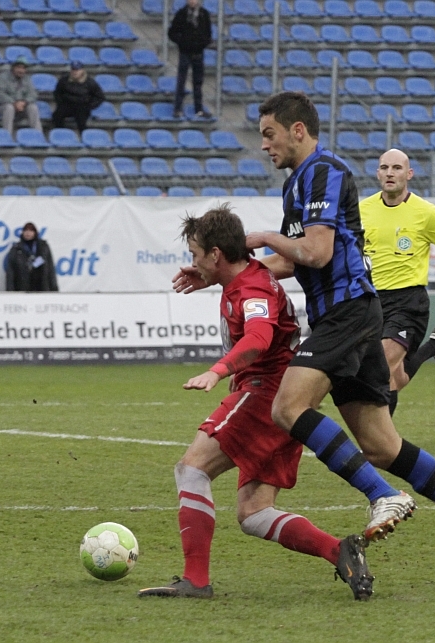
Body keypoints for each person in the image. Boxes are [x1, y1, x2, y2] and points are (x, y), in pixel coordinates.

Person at [231, 91, 435, 587]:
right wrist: (229, 273)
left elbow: (315, 253)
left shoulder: (326, 170)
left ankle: (381, 494)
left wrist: (263, 237)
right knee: (382, 445)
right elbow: (291, 260)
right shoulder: (296, 182)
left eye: (269, 134)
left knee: (286, 408)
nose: (263, 145)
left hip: (348, 312)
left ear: (298, 130)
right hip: (350, 315)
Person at [137, 206, 373, 601]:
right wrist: (209, 278)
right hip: (282, 398)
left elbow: (259, 336)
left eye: (196, 254)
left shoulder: (251, 289)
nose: (192, 261)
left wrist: (218, 370)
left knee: (191, 470)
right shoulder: (246, 277)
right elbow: (245, 282)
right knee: (254, 512)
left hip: (265, 394)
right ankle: (339, 550)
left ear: (215, 253)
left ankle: (195, 580)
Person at [360, 149, 435, 418]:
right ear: (377, 173)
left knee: (382, 368)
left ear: (408, 174)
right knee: (395, 378)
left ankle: (382, 445)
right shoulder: (362, 210)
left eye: (397, 168)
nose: (389, 173)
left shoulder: (425, 213)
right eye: (384, 167)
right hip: (371, 302)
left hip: (408, 303)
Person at [167, 0, 211, 119]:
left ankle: (199, 109)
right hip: (185, 53)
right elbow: (171, 33)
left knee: (198, 82)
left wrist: (202, 44)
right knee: (181, 81)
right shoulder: (181, 14)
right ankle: (177, 108)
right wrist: (182, 42)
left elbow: (208, 34)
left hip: (198, 53)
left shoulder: (204, 14)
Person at [0, 57, 41, 136]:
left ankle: (38, 136)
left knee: (33, 107)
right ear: (13, 68)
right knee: (9, 108)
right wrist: (14, 103)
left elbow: (33, 94)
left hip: (21, 107)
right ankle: (7, 136)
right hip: (3, 106)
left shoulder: (27, 79)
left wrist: (24, 102)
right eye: (18, 67)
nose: (21, 71)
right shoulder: (3, 77)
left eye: (23, 68)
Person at [51, 61, 105, 133]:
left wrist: (89, 106)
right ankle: (61, 133)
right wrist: (60, 103)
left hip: (82, 106)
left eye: (77, 70)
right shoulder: (64, 80)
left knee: (81, 120)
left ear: (82, 70)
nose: (75, 72)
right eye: (73, 70)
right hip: (67, 104)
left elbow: (100, 97)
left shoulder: (90, 82)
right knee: (57, 115)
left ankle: (84, 136)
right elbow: (57, 93)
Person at [5, 222, 56, 292]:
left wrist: (54, 288)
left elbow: (50, 268)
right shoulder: (16, 249)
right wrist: (10, 290)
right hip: (22, 287)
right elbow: (10, 272)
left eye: (31, 231)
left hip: (42, 286)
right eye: (26, 230)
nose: (28, 233)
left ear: (35, 232)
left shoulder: (43, 247)